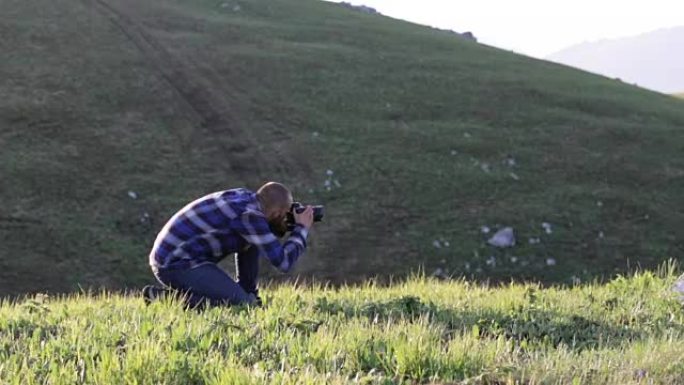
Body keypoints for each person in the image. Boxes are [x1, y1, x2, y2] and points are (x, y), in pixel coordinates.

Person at [142, 182, 314, 308]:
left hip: (176, 256)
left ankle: (249, 292)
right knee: (241, 305)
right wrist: (301, 228)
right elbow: (284, 262)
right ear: (277, 212)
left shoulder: (245, 199)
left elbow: (255, 239)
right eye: (285, 214)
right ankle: (161, 298)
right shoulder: (250, 217)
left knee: (251, 244)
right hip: (173, 265)